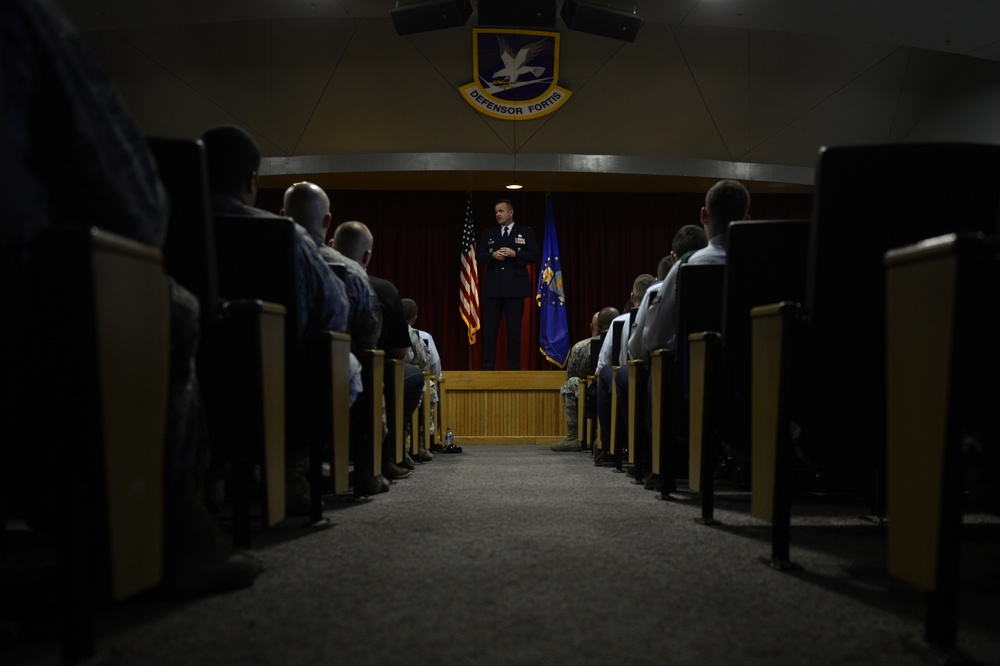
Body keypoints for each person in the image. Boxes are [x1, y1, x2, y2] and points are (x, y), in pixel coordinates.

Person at [1, 0, 260, 597]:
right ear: (251, 182)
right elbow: (138, 211)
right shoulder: (25, 21)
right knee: (168, 306)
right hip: (28, 314)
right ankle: (172, 530)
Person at [201, 125, 353, 514]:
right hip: (275, 384)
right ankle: (288, 472)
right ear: (252, 180)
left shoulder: (166, 228)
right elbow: (335, 311)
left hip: (187, 374)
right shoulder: (286, 236)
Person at [331, 221, 425, 480]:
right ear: (367, 255)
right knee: (410, 376)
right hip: (364, 371)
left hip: (294, 364)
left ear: (331, 245)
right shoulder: (382, 289)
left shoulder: (304, 265)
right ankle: (387, 453)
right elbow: (399, 352)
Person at [594, 274, 656, 463]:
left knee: (606, 373)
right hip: (671, 376)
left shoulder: (620, 322)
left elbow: (603, 364)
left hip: (631, 381)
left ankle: (609, 446)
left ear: (632, 296)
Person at [476, 198, 540, 370]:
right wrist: (492, 255)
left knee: (514, 332)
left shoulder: (525, 232)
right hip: (493, 290)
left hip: (515, 289)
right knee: (489, 332)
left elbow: (535, 255)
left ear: (511, 213)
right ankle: (487, 370)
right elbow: (479, 256)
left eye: (501, 211)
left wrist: (515, 254)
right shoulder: (489, 233)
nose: (498, 214)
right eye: (496, 212)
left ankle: (514, 370)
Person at [552, 307, 619, 452]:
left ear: (594, 326)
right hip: (621, 388)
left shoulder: (580, 347)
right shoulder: (626, 340)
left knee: (569, 385)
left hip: (591, 395)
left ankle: (575, 437)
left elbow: (570, 377)